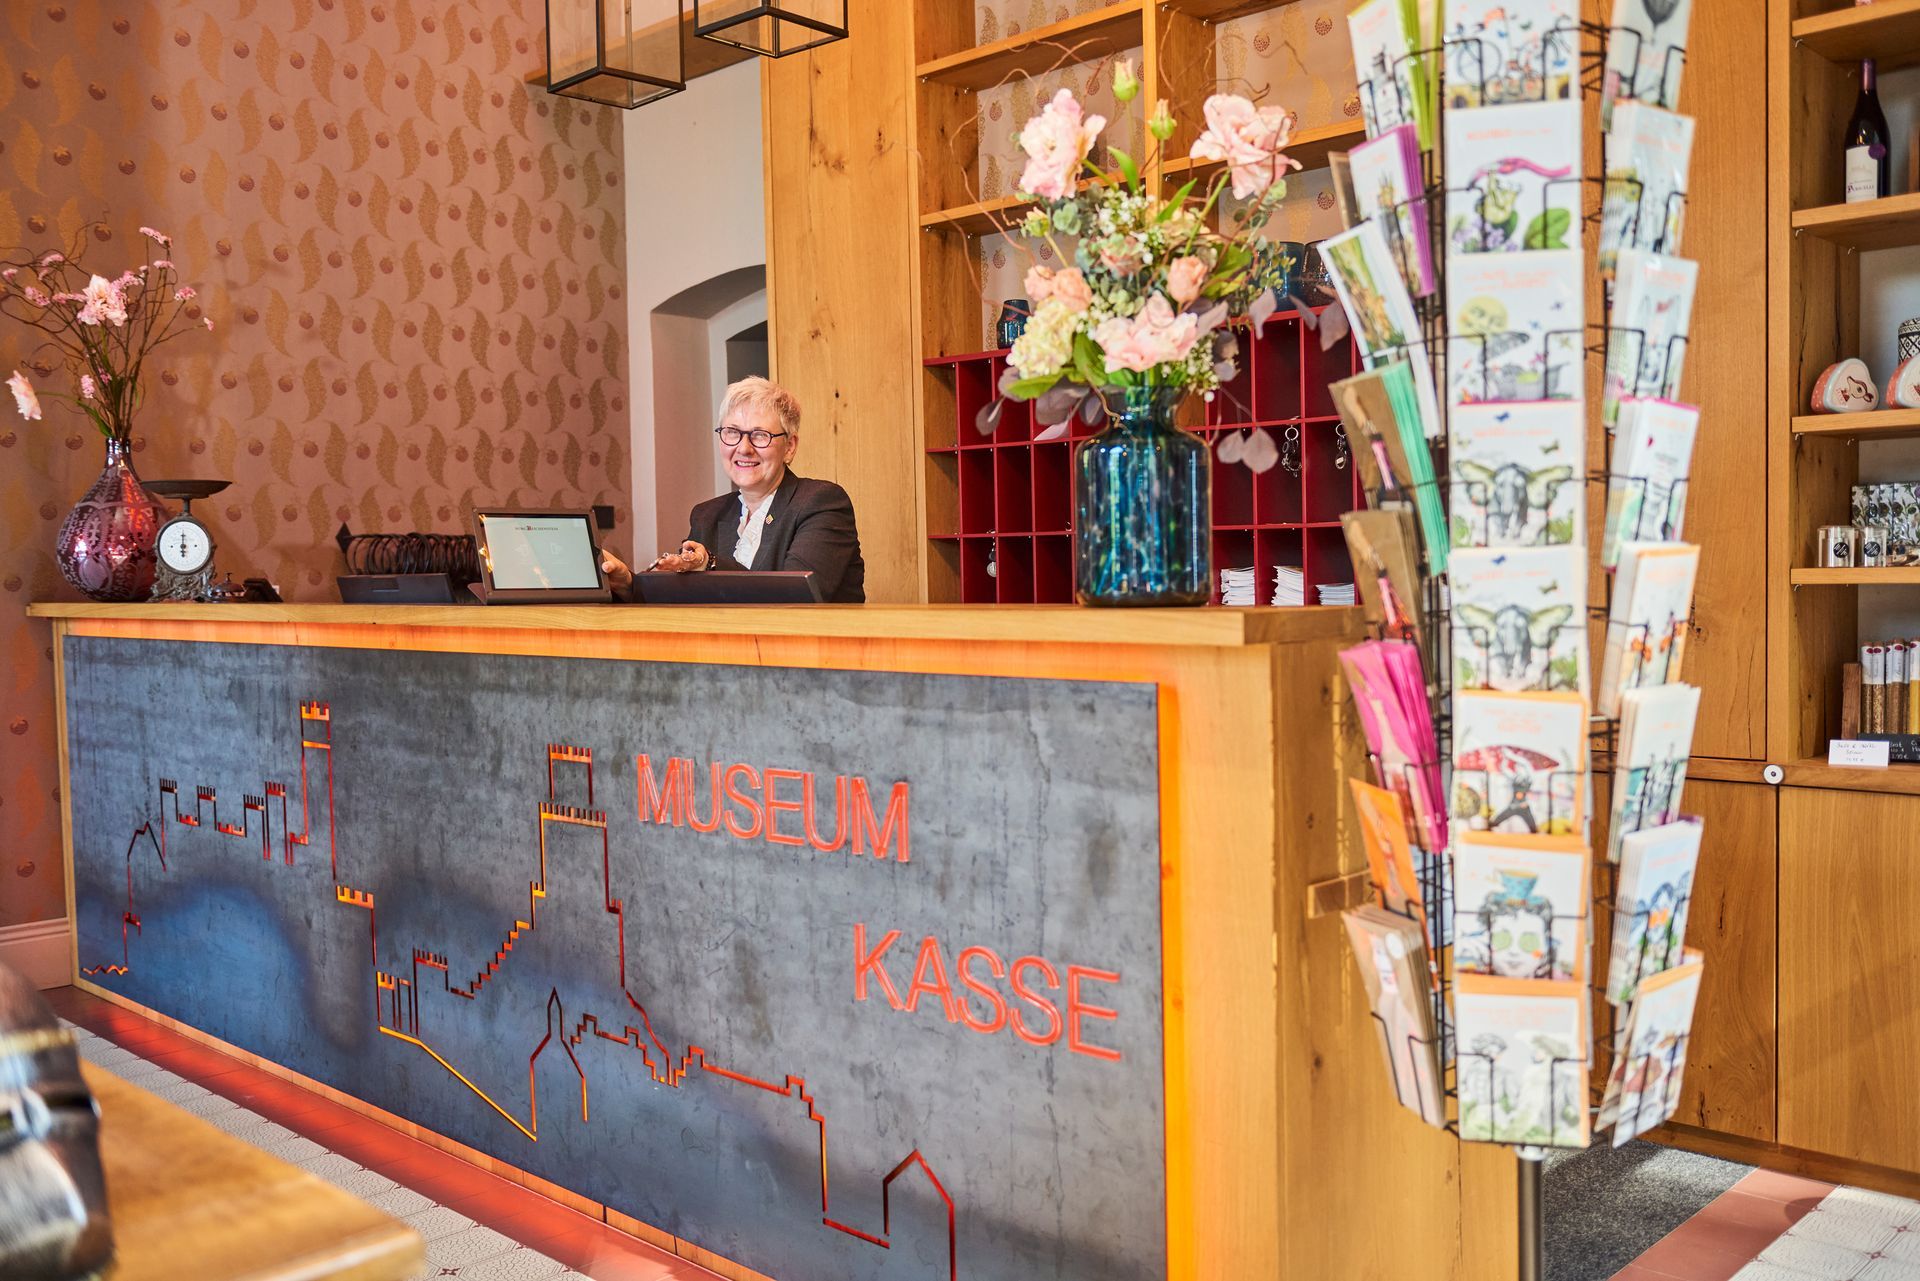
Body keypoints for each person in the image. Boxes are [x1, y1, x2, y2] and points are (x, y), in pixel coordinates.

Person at [601, 376, 865, 603]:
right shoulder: (707, 515)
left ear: (790, 447)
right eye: (732, 432)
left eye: (760, 435)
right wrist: (628, 584)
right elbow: (684, 601)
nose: (744, 448)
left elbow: (795, 597)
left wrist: (709, 564)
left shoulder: (821, 503)